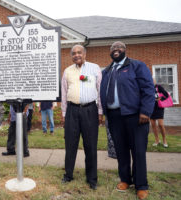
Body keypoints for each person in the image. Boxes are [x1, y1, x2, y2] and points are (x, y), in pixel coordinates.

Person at [100, 41, 155, 200]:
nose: (115, 50)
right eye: (112, 48)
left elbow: (148, 89)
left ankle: (141, 185)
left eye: (119, 47)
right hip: (114, 116)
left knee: (138, 151)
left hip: (135, 116)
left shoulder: (137, 66)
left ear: (125, 50)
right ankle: (125, 179)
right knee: (121, 150)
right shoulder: (107, 71)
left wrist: (145, 111)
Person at [61, 44, 102, 190]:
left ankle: (92, 178)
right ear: (71, 56)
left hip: (90, 110)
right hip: (72, 110)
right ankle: (68, 175)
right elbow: (64, 94)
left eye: (79, 52)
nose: (76, 55)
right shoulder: (67, 71)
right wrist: (64, 114)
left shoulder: (94, 68)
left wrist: (100, 111)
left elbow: (100, 90)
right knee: (70, 144)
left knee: (90, 145)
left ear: (85, 54)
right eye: (74, 53)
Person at [150, 79, 169, 148]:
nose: (151, 81)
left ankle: (164, 140)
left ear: (155, 81)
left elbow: (166, 95)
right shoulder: (148, 87)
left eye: (153, 80)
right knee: (153, 124)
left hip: (159, 108)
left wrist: (160, 99)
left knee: (160, 124)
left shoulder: (159, 87)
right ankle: (157, 140)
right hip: (151, 108)